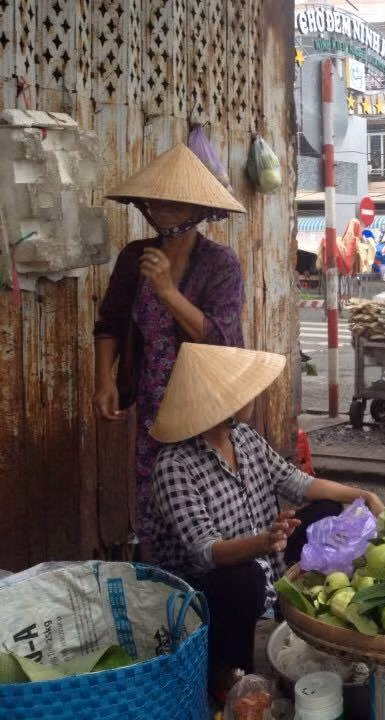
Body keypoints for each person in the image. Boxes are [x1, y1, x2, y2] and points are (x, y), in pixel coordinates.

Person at [149, 342, 385, 699]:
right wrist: (262, 542)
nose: (253, 397)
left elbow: (298, 483)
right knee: (241, 580)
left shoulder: (244, 438)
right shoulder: (174, 466)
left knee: (326, 511)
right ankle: (228, 673)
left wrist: (357, 495)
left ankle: (293, 614)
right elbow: (206, 552)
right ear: (220, 403)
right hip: (211, 582)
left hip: (265, 552)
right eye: (243, 392)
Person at [93, 143, 247, 558]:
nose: (163, 213)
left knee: (204, 494)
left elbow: (221, 339)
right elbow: (109, 323)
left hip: (204, 402)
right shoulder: (133, 258)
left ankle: (212, 572)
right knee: (154, 491)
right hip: (152, 401)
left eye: (175, 206)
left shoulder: (221, 264)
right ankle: (162, 575)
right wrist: (105, 380)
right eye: (156, 204)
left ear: (198, 211)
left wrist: (166, 290)